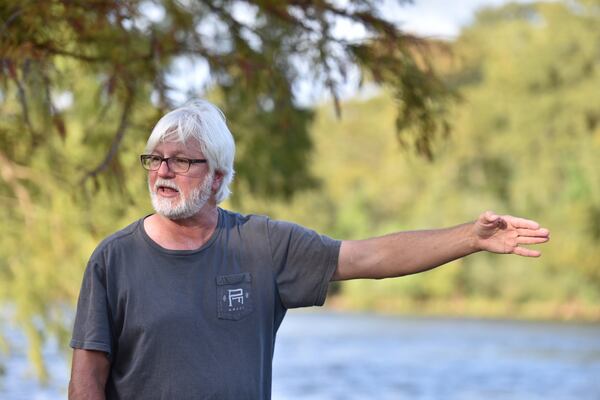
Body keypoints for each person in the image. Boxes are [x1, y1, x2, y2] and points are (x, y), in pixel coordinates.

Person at [68, 99, 549, 400]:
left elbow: (369, 258)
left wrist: (471, 237)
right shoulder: (113, 259)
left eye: (180, 161)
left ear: (217, 177)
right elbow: (87, 379)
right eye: (155, 159)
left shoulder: (262, 245)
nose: (162, 171)